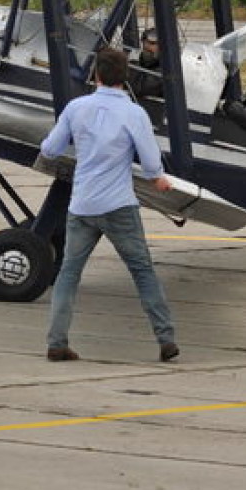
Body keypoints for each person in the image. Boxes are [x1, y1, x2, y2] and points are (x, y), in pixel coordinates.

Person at [38, 47, 179, 363]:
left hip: (82, 205)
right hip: (118, 205)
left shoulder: (76, 108)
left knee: (69, 274)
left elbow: (49, 149)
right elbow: (152, 163)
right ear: (125, 77)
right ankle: (165, 338)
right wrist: (159, 179)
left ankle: (57, 341)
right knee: (142, 271)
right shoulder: (134, 113)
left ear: (96, 75)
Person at [128, 27, 164, 99]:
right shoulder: (144, 62)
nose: (146, 46)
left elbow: (139, 88)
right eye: (144, 42)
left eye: (152, 43)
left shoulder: (167, 69)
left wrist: (132, 63)